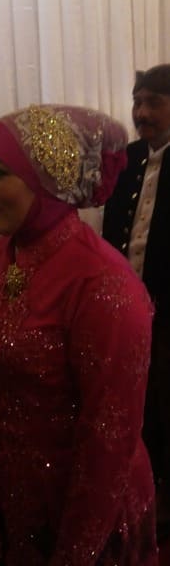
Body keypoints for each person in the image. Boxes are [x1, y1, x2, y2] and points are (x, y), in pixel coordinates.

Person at [0, 104, 159, 566]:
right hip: (8, 489)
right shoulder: (2, 256)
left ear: (49, 180)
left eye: (0, 173)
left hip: (78, 507)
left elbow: (110, 435)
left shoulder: (104, 285)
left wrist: (77, 556)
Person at [103, 64, 170, 538]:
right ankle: (141, 481)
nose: (141, 113)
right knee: (134, 398)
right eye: (137, 102)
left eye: (154, 103)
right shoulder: (126, 158)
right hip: (127, 308)